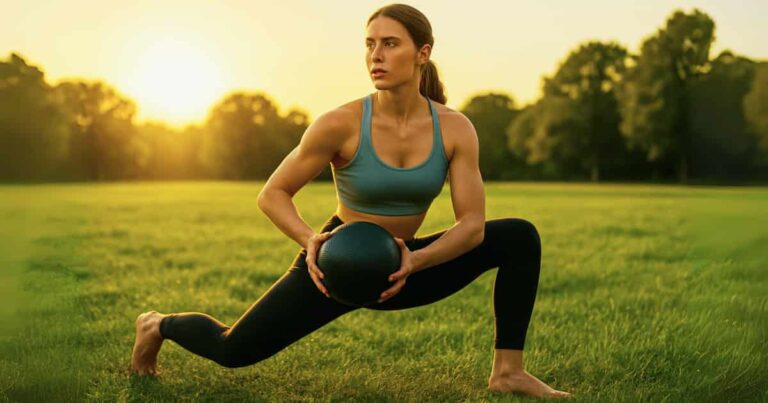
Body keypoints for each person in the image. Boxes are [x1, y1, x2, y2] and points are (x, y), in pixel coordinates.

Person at [130, 3, 571, 399]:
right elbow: (273, 194)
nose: (376, 55)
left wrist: (415, 261)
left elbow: (472, 225)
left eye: (390, 44)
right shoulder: (340, 123)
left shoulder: (455, 129)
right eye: (370, 44)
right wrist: (311, 241)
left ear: (422, 53)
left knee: (518, 237)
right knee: (233, 350)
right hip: (336, 264)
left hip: (404, 265)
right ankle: (156, 324)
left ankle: (508, 372)